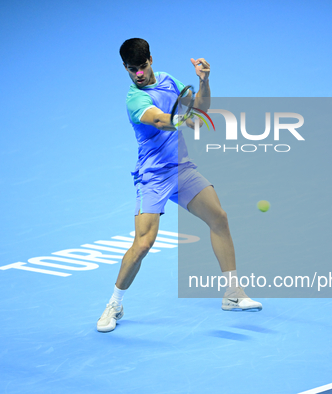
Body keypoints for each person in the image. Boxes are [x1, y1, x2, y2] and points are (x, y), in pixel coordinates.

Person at [97, 38, 262, 333]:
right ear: (125, 68)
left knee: (219, 219)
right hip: (153, 177)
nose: (137, 74)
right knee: (144, 243)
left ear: (151, 59)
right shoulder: (134, 99)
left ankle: (233, 294)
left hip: (181, 169)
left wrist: (204, 82)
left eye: (142, 66)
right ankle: (114, 304)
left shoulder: (169, 81)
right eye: (131, 69)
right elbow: (159, 120)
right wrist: (182, 119)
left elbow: (200, 108)